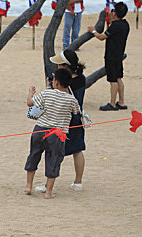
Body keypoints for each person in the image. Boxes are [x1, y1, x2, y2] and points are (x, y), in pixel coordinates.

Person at [25, 68, 80, 199]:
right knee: (53, 159)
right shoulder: (71, 99)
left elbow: (29, 103)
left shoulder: (46, 94)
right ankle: (48, 192)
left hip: (40, 129)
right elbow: (77, 111)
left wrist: (30, 93)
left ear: (55, 83)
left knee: (34, 155)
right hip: (58, 134)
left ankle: (28, 186)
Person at [46, 49, 87, 192]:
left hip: (63, 119)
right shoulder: (81, 79)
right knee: (78, 150)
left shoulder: (65, 84)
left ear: (65, 66)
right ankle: (78, 182)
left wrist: (51, 86)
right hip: (77, 118)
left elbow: (56, 99)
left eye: (60, 65)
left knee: (54, 151)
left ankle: (49, 185)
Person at [88, 2, 130, 111]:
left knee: (113, 80)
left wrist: (93, 31)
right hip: (119, 54)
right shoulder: (125, 24)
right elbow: (112, 29)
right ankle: (121, 102)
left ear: (115, 13)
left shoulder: (115, 26)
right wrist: (111, 17)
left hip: (112, 56)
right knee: (119, 78)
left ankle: (112, 103)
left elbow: (102, 37)